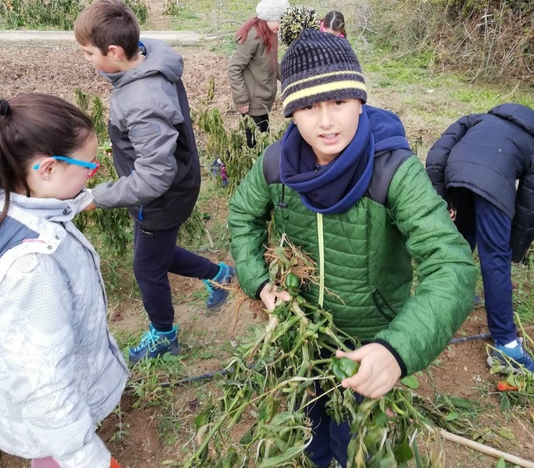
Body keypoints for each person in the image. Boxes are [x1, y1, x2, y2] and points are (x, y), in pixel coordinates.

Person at [228, 27, 477, 468]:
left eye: (339, 102)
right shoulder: (276, 166)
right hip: (303, 334)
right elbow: (243, 215)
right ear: (290, 113)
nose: (326, 121)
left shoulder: (394, 172)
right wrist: (259, 280)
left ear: (360, 100)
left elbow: (451, 265)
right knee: (310, 433)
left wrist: (396, 349)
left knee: (360, 447)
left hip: (369, 342)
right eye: (307, 106)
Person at [74, 0, 235, 365]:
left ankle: (164, 334)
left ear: (114, 51)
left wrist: (99, 196)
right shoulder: (148, 57)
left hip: (161, 196)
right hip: (172, 185)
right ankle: (220, 274)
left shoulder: (142, 101)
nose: (87, 61)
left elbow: (155, 174)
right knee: (155, 254)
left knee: (147, 267)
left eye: (88, 53)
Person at [0, 94, 128, 468]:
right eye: (89, 167)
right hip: (50, 428)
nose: (93, 172)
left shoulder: (4, 207)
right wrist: (87, 457)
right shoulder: (35, 268)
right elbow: (44, 382)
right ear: (48, 169)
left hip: (35, 420)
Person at [426, 103, 534, 373]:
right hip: (492, 184)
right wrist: (514, 251)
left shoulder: (479, 118)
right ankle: (506, 346)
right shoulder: (531, 141)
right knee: (495, 258)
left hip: (455, 172)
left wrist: (444, 195)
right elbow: (528, 205)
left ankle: (457, 292)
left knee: (463, 235)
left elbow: (438, 151)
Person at [227, 0, 290, 148]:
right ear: (269, 16)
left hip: (264, 98)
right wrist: (242, 100)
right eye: (279, 20)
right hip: (252, 101)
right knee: (256, 144)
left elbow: (270, 62)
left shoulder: (271, 33)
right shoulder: (253, 36)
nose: (281, 25)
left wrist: (288, 80)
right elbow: (234, 69)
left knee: (264, 138)